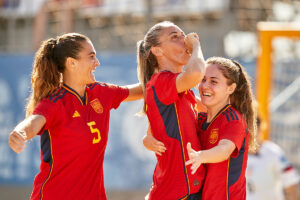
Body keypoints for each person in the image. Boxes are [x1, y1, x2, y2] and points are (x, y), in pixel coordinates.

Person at [8, 33, 142, 200]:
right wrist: (20, 132)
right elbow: (34, 121)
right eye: (91, 57)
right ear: (71, 63)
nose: (97, 63)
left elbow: (142, 90)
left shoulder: (101, 92)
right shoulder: (55, 101)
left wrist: (174, 76)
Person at [137, 21, 206, 200]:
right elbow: (197, 72)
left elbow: (156, 128)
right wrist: (196, 44)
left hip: (185, 190)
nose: (184, 41)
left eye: (183, 35)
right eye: (174, 37)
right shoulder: (161, 81)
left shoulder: (183, 90)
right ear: (157, 50)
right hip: (176, 192)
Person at [185, 57, 257, 200]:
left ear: (230, 88)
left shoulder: (233, 120)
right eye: (203, 80)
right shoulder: (199, 118)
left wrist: (201, 156)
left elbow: (224, 150)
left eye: (214, 81)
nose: (205, 85)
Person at [246, 116, 300, 200]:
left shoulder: (274, 153)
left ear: (260, 129)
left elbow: (291, 185)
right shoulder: (236, 156)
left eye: (254, 129)